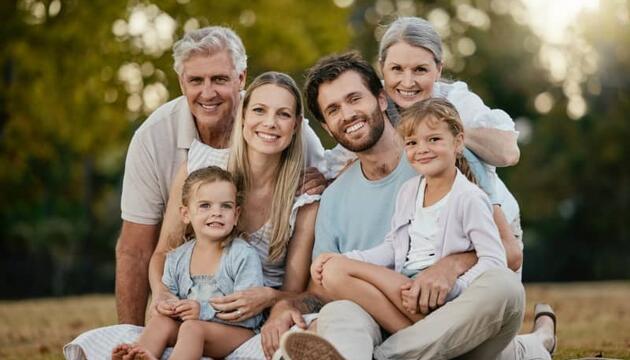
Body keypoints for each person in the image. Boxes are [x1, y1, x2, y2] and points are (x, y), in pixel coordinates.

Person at [265, 52, 524, 360]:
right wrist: (286, 304)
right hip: (383, 320)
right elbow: (323, 289)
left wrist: (449, 266)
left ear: (381, 99)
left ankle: (387, 356)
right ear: (325, 125)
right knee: (341, 314)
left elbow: (509, 252)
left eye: (354, 99)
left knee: (504, 288)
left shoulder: (443, 156)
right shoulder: (333, 198)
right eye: (333, 109)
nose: (347, 114)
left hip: (456, 319)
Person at [116, 26, 326, 326]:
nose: (208, 92)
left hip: (258, 314)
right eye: (196, 80)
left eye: (219, 79)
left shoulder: (293, 136)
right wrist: (147, 313)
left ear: (241, 79)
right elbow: (138, 249)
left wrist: (325, 185)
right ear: (181, 82)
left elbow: (328, 185)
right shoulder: (161, 142)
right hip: (192, 301)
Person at [310, 97, 508, 335]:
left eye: (433, 139)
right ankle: (419, 339)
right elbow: (394, 246)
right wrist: (350, 258)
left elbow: (494, 260)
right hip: (406, 286)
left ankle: (406, 344)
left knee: (336, 272)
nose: (422, 150)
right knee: (335, 270)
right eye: (412, 143)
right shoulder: (410, 191)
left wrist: (456, 287)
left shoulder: (469, 198)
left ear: (458, 142)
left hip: (440, 295)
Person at [112, 166, 264, 360]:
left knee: (193, 328)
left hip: (237, 334)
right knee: (160, 322)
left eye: (225, 206)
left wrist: (202, 311)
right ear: (185, 214)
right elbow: (168, 297)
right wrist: (167, 306)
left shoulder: (242, 255)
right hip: (191, 329)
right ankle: (139, 355)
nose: (216, 212)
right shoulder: (177, 258)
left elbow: (250, 314)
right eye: (205, 205)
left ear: (236, 215)